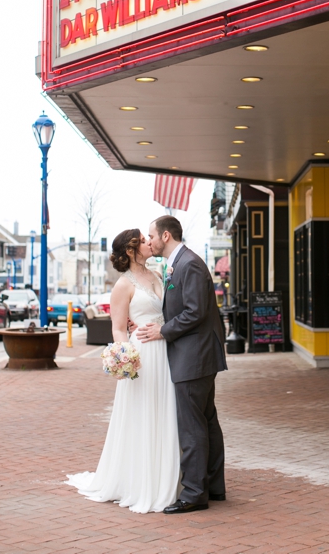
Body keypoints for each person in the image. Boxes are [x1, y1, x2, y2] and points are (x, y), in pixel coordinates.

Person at [66, 229, 179, 513]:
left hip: (165, 352)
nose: (147, 242)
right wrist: (125, 354)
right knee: (143, 415)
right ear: (130, 251)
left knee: (165, 412)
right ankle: (140, 481)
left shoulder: (157, 274)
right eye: (142, 240)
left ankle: (167, 476)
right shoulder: (123, 285)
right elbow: (118, 327)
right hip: (142, 356)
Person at [136, 215, 228, 514]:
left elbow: (195, 312)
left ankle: (194, 494)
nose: (148, 241)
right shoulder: (180, 263)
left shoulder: (189, 264)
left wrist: (162, 330)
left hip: (195, 355)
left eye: (150, 236)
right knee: (206, 421)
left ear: (165, 235)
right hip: (196, 354)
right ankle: (212, 488)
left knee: (192, 426)